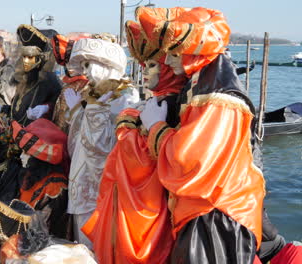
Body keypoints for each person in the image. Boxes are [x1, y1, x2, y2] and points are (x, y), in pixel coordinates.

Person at [136, 7, 265, 263]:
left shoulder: (217, 98)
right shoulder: (200, 85)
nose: (169, 61)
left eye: (174, 53)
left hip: (217, 215)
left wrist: (155, 127)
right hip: (202, 211)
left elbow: (189, 162)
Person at [82, 18, 189, 263]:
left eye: (152, 65)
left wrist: (128, 121)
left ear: (168, 70)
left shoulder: (169, 107)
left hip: (148, 205)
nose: (144, 71)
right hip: (129, 200)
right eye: (144, 65)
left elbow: (144, 156)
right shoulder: (153, 103)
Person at [63, 37, 140, 248]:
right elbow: (80, 136)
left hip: (101, 181)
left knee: (98, 238)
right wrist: (78, 110)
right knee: (82, 240)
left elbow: (111, 143)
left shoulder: (124, 94)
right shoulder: (93, 93)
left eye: (88, 65)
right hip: (82, 174)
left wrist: (87, 111)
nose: (85, 72)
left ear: (104, 65)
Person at [12, 119, 71, 239]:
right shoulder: (30, 175)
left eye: (26, 153)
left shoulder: (55, 186)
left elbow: (44, 229)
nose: (21, 156)